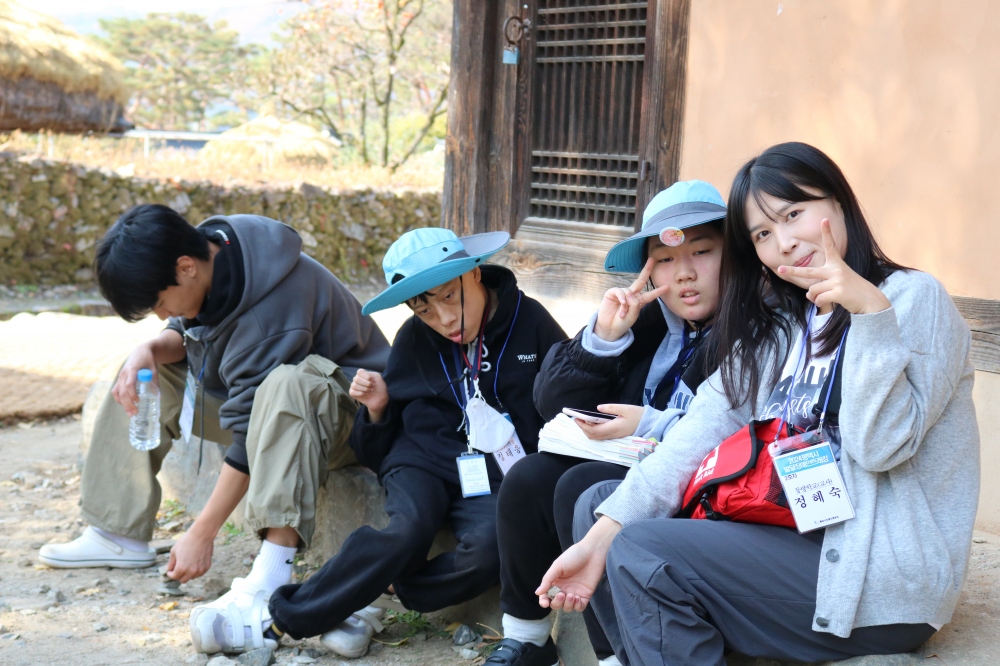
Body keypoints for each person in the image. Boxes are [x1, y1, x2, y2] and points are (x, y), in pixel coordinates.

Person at [539, 142, 979, 665]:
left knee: (643, 549)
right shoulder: (784, 326)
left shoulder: (912, 299)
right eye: (763, 234)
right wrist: (597, 541)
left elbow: (881, 447)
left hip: (872, 572)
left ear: (839, 202)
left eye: (793, 214)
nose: (785, 243)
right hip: (782, 528)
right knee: (602, 507)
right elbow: (697, 432)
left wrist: (869, 316)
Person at [190, 226, 568, 657]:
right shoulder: (413, 338)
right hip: (421, 462)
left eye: (449, 296)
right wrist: (376, 409)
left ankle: (384, 590)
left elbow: (566, 397)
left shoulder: (530, 322)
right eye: (424, 310)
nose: (444, 319)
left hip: (494, 474)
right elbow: (375, 453)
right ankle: (279, 620)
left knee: (490, 552)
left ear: (475, 274)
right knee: (407, 531)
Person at [40, 205, 390, 623]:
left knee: (288, 385)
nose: (162, 315)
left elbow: (251, 434)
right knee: (143, 370)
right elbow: (187, 333)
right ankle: (116, 531)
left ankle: (272, 573)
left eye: (159, 303)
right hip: (266, 408)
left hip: (347, 420)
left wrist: (201, 532)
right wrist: (147, 349)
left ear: (185, 267)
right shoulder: (213, 250)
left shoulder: (271, 308)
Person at [488, 181, 727, 666]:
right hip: (631, 461)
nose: (684, 273)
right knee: (528, 477)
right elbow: (548, 399)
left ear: (735, 254)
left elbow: (735, 423)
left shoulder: (753, 327)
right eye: (664, 260)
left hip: (697, 479)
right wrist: (602, 339)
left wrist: (651, 422)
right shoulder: (645, 319)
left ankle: (614, 654)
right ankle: (527, 637)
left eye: (702, 252)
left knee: (580, 490)